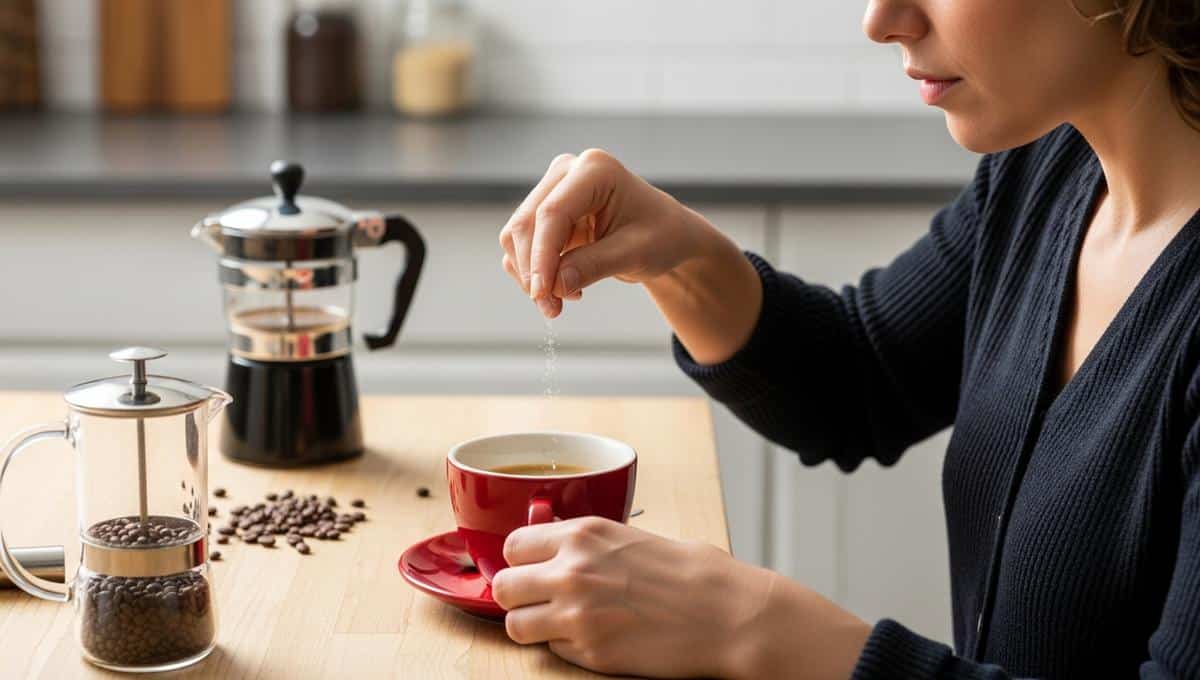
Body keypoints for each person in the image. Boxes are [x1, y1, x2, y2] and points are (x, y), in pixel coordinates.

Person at [492, 0, 1200, 677]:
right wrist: (679, 256)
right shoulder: (1048, 171)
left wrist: (759, 631)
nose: (882, 21)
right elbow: (860, 378)